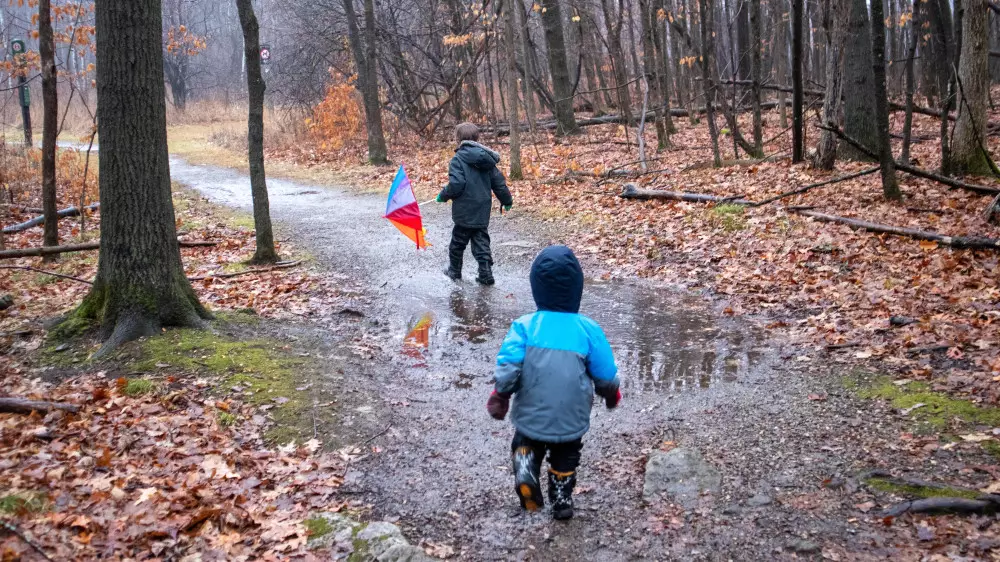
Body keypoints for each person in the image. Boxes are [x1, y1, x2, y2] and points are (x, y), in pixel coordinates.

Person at [486, 245, 621, 520]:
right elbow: (605, 372)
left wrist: (501, 393)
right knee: (566, 453)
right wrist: (610, 393)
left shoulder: (524, 326)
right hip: (571, 412)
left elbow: (509, 366)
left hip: (531, 408)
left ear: (537, 287)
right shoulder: (588, 329)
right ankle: (561, 498)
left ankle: (525, 465)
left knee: (526, 440)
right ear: (577, 288)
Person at [436, 123, 513, 285]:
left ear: (458, 139)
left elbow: (456, 184)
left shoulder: (458, 159)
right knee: (481, 242)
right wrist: (507, 200)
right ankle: (486, 274)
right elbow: (499, 183)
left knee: (457, 242)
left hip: (464, 210)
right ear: (477, 138)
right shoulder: (487, 160)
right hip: (481, 210)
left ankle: (454, 270)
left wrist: (443, 195)